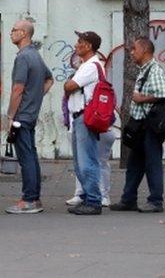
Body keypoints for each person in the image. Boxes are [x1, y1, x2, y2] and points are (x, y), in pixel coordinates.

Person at [110, 37, 165, 213]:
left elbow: (163, 93)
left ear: (145, 50)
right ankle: (128, 199)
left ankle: (156, 201)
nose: (132, 52)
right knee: (134, 163)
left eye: (134, 49)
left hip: (149, 125)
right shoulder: (145, 70)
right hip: (140, 125)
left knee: (153, 163)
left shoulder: (154, 70)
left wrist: (141, 99)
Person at [4, 20, 54, 215]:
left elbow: (18, 88)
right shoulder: (35, 55)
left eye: (14, 30)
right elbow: (49, 79)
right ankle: (35, 198)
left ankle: (29, 200)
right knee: (31, 156)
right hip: (30, 114)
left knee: (26, 157)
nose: (11, 33)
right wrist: (36, 97)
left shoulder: (23, 57)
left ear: (24, 33)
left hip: (21, 116)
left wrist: (10, 115)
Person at [63, 30, 109, 215]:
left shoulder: (90, 66)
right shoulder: (87, 65)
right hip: (80, 117)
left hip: (85, 117)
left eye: (79, 41)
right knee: (80, 161)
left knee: (86, 161)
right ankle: (87, 197)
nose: (76, 45)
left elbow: (70, 86)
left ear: (88, 46)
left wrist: (68, 84)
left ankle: (93, 200)